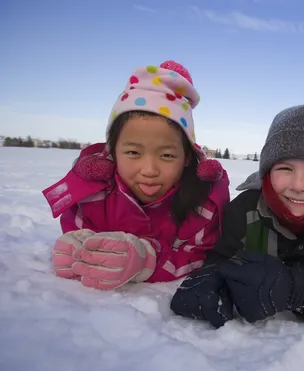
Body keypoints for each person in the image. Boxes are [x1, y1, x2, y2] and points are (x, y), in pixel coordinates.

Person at [170, 104, 304, 327]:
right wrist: (211, 282)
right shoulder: (245, 209)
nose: (299, 185)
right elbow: (220, 258)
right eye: (285, 168)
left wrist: (299, 290)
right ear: (267, 170)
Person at [42, 61, 230, 290]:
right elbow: (77, 227)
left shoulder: (202, 205)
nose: (149, 170)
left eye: (167, 155)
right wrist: (78, 245)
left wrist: (145, 261)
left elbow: (196, 255)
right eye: (133, 152)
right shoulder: (92, 195)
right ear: (112, 152)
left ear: (187, 157)